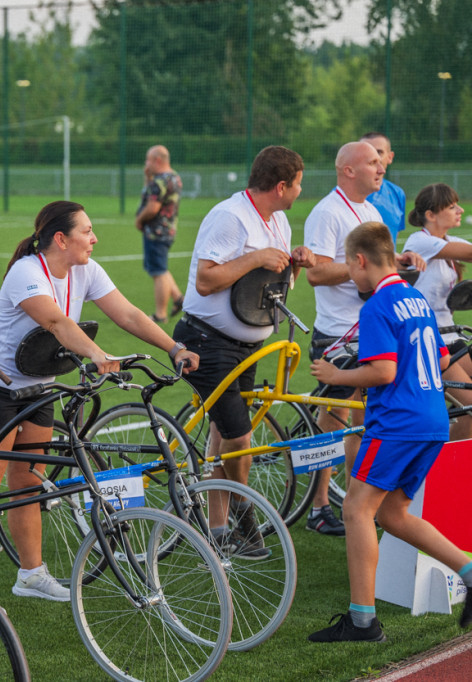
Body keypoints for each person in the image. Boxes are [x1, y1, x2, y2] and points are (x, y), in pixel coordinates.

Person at [0, 200, 199, 602]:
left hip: (39, 387)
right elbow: (56, 322)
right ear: (61, 239)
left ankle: (30, 574)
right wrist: (97, 354)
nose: (94, 239)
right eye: (86, 232)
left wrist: (173, 346)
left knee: (27, 484)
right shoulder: (28, 272)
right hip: (0, 390)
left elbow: (127, 314)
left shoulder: (84, 270)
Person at [308, 221, 472, 643]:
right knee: (392, 513)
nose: (350, 273)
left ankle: (363, 621)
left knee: (355, 511)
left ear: (360, 261)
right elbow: (437, 361)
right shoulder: (416, 299)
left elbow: (383, 370)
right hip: (432, 418)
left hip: (398, 422)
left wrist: (334, 375)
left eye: (349, 265)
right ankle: (470, 572)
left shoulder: (377, 306)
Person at [173, 145, 316, 555]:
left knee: (223, 438)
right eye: (299, 184)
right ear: (282, 185)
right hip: (208, 342)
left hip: (246, 344)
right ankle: (244, 518)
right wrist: (256, 257)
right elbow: (205, 280)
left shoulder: (279, 221)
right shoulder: (230, 216)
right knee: (240, 438)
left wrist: (295, 265)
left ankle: (219, 532)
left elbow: (275, 290)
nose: (300, 192)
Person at [304, 140, 424, 536]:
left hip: (373, 326)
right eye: (372, 161)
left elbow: (378, 263)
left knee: (363, 422)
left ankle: (357, 499)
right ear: (348, 170)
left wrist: (397, 262)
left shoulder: (371, 210)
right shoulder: (327, 212)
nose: (381, 167)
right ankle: (318, 505)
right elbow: (316, 273)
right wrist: (363, 267)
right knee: (334, 419)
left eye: (381, 160)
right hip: (339, 332)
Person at [401, 183, 472, 440]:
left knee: (466, 408)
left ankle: (450, 462)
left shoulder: (448, 241)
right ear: (430, 215)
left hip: (450, 336)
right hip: (427, 341)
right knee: (469, 406)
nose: (460, 210)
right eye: (452, 206)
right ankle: (448, 469)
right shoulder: (420, 241)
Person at [135, 145, 184, 324]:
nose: (146, 164)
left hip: (156, 232)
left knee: (158, 271)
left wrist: (139, 220)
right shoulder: (174, 178)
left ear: (157, 160)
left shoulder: (160, 181)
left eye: (148, 160)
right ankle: (178, 298)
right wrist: (148, 177)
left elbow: (152, 207)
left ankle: (160, 315)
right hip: (168, 230)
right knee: (160, 267)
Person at [361, 132, 407, 245]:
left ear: (390, 157)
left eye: (379, 152)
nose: (373, 157)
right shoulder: (346, 194)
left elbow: (394, 234)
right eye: (366, 152)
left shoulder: (397, 194)